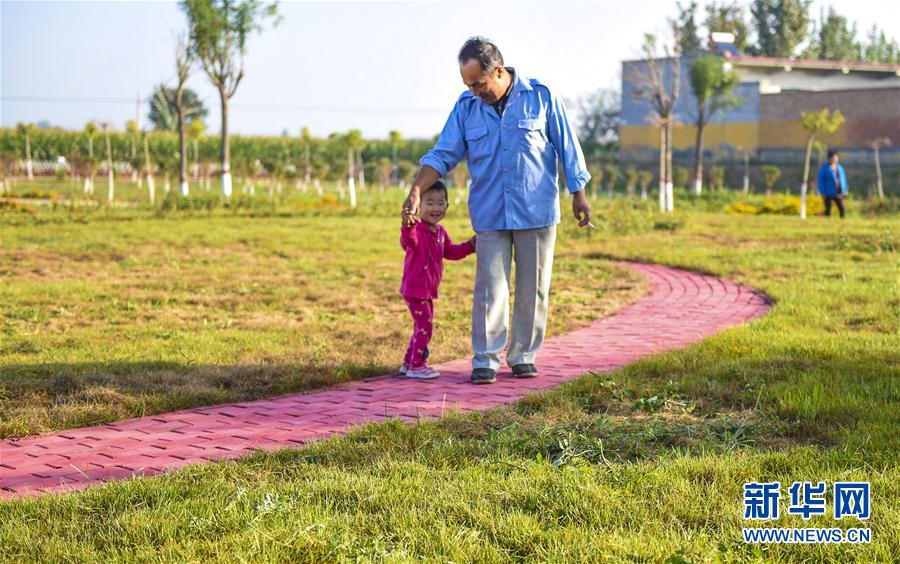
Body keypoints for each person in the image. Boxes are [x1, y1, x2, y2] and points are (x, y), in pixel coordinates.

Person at [402, 37, 592, 385]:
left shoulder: (541, 97)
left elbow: (568, 146)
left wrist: (578, 193)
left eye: (478, 83)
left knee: (534, 287)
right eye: (468, 85)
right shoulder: (466, 108)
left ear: (499, 71)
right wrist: (417, 189)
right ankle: (486, 358)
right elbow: (443, 153)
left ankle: (522, 355)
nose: (474, 91)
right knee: (490, 286)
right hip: (490, 210)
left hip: (536, 209)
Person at [399, 180, 476, 379]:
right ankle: (417, 366)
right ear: (419, 205)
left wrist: (470, 245)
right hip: (415, 288)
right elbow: (408, 242)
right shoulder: (416, 229)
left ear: (447, 206)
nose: (435, 208)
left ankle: (408, 363)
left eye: (440, 203)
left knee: (421, 325)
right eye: (430, 203)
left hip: (427, 290)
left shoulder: (440, 232)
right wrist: (407, 227)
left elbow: (451, 252)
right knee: (425, 326)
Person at [817, 150, 849, 218]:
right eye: (832, 158)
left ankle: (842, 222)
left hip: (838, 192)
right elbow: (821, 181)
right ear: (829, 158)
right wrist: (822, 192)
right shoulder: (824, 169)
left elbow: (844, 179)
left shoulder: (840, 168)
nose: (834, 160)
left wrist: (846, 189)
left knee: (842, 208)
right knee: (828, 209)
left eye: (835, 158)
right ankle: (827, 223)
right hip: (828, 193)